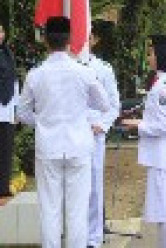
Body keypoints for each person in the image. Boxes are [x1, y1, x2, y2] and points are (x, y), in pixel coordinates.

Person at [17, 16, 110, 248]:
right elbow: (104, 105)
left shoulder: (35, 74)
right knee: (78, 211)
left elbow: (22, 113)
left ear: (45, 41)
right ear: (70, 40)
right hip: (79, 146)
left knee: (49, 210)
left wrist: (42, 122)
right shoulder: (83, 72)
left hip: (48, 148)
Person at [122, 35, 166, 248]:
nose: (149, 57)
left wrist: (136, 125)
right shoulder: (165, 82)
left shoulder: (164, 86)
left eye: (151, 53)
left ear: (162, 56)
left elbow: (161, 126)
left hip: (163, 158)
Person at [86, 30, 120, 248]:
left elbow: (113, 104)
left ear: (94, 40)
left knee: (94, 187)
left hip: (93, 135)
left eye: (87, 36)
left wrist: (103, 125)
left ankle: (93, 238)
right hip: (69, 135)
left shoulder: (103, 69)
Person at [0, 23, 18, 200]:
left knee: (5, 148)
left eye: (1, 31)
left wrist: (15, 109)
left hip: (6, 108)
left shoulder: (8, 54)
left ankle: (3, 187)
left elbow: (14, 82)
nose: (0, 34)